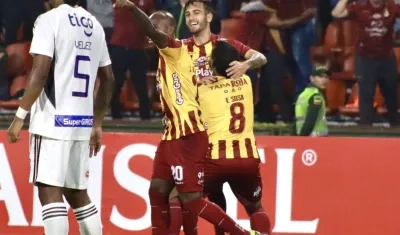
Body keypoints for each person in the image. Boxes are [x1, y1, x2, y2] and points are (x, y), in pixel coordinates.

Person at [113, 0, 267, 234]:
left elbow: (260, 58)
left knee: (187, 197)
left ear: (209, 17)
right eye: (189, 13)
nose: (192, 17)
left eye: (198, 12)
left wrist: (246, 64)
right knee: (162, 190)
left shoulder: (224, 45)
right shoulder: (180, 47)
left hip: (198, 135)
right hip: (182, 133)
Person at [7, 0, 115, 234]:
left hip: (52, 121)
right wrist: (97, 123)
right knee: (77, 193)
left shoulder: (49, 19)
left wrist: (20, 115)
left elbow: (40, 71)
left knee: (49, 190)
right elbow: (108, 78)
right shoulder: (94, 23)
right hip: (82, 123)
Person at [199, 40, 272, 235]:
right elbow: (260, 59)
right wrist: (245, 64)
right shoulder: (246, 82)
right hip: (247, 158)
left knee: (184, 196)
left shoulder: (203, 90)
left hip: (216, 158)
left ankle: (237, 233)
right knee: (255, 206)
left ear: (213, 65)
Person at [332, 0, 399, 126]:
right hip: (365, 59)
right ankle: (365, 129)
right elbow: (336, 13)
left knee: (391, 93)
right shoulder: (360, 7)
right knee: (366, 94)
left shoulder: (391, 7)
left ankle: (396, 127)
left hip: (386, 58)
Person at [295, 65, 329, 136]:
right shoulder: (316, 96)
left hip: (303, 135)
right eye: (320, 77)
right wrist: (302, 138)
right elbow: (310, 120)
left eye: (326, 77)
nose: (324, 80)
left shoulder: (303, 94)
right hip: (315, 137)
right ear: (312, 78)